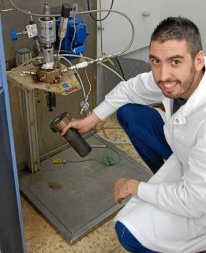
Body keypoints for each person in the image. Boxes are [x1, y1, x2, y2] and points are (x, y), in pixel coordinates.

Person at [62, 16, 206, 253]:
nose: (163, 76)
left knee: (130, 232)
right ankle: (163, 183)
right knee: (130, 113)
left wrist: (135, 187)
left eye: (175, 61)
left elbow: (193, 201)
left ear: (198, 60)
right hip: (188, 156)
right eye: (155, 61)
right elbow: (128, 90)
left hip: (200, 201)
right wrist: (89, 121)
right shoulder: (174, 80)